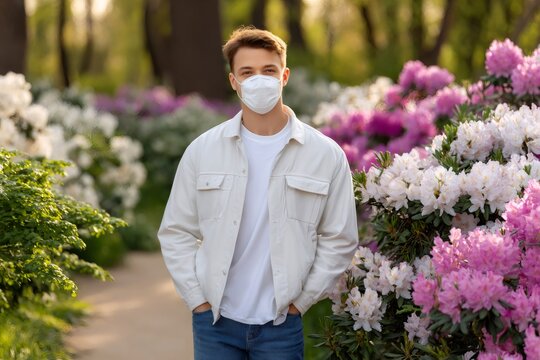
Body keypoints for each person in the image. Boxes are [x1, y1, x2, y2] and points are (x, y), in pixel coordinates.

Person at [158, 26, 358, 360]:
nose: (259, 80)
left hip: (281, 322)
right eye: (247, 72)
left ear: (285, 76)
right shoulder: (202, 151)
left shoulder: (325, 155)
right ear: (233, 81)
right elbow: (176, 230)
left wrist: (302, 301)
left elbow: (339, 237)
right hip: (215, 323)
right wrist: (198, 300)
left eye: (269, 70)